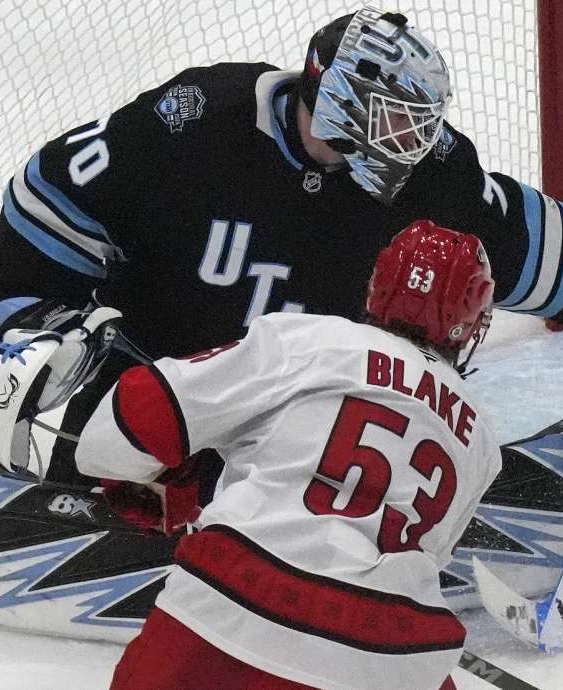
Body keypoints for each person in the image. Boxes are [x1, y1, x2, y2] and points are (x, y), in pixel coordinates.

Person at [0, 6, 563, 485]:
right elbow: (47, 195)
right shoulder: (197, 124)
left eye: (420, 124)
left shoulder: (430, 177)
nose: (413, 143)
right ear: (335, 100)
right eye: (396, 120)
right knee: (97, 452)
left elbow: (531, 242)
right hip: (154, 392)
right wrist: (40, 316)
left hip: (315, 428)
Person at [66, 221, 500, 690]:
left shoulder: (309, 340)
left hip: (229, 604)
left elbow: (117, 432)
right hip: (389, 656)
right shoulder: (481, 440)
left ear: (378, 286)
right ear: (470, 318)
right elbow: (420, 552)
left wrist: (162, 481)